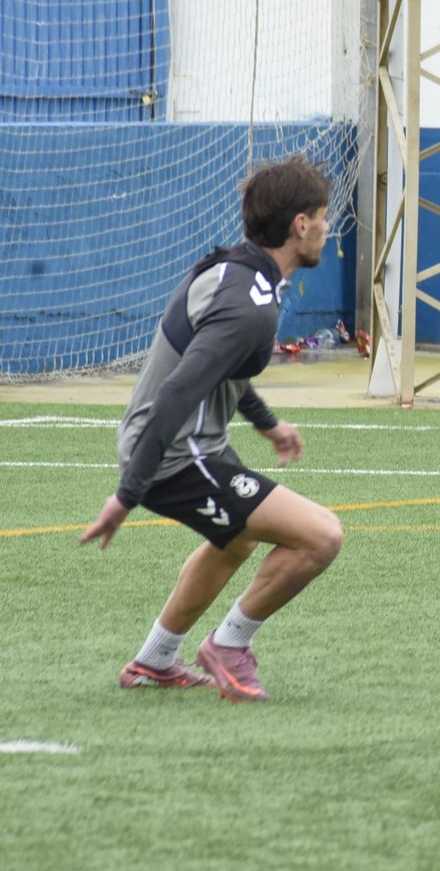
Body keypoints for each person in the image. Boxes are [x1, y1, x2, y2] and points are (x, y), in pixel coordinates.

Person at [80, 156, 345, 701]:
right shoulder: (252, 305)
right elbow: (179, 391)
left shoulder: (234, 270)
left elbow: (213, 366)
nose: (327, 226)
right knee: (321, 536)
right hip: (174, 455)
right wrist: (126, 495)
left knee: (238, 537)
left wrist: (267, 424)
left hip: (187, 446)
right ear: (300, 225)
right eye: (322, 216)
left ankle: (154, 661)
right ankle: (229, 645)